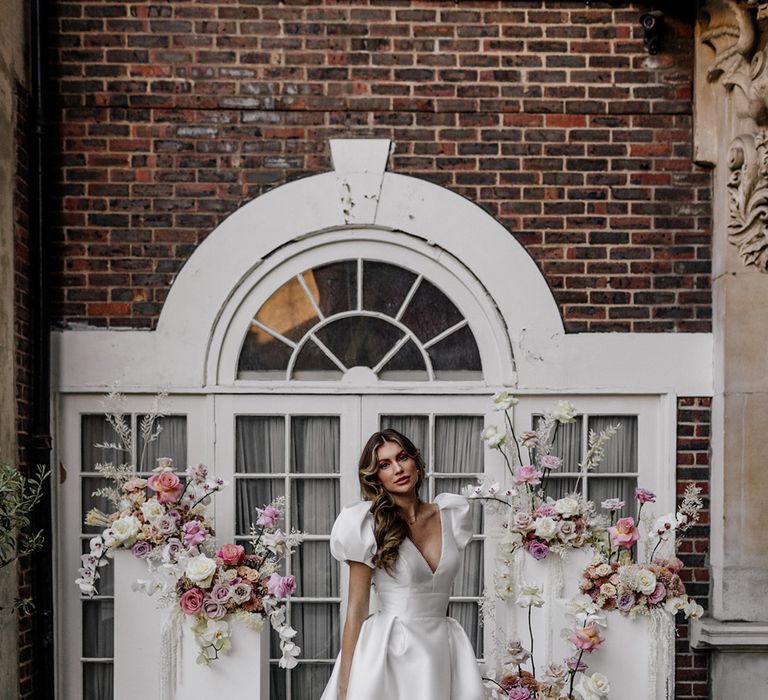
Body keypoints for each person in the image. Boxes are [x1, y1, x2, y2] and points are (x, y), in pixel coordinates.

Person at [319, 428, 485, 700]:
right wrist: (345, 685)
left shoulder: (451, 516)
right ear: (376, 477)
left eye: (402, 457)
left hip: (443, 648)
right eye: (385, 465)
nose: (398, 469)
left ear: (416, 463)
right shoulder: (367, 525)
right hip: (390, 651)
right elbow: (356, 609)